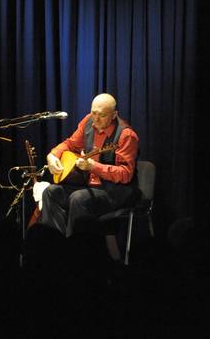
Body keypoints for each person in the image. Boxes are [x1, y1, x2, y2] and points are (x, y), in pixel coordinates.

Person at [39, 93, 139, 238]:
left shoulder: (126, 135)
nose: (96, 119)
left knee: (78, 198)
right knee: (51, 192)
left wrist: (94, 167)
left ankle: (77, 246)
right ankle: (56, 243)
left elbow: (125, 174)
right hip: (87, 186)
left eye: (102, 115)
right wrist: (52, 155)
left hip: (114, 192)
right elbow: (70, 144)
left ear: (114, 115)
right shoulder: (87, 121)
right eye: (93, 113)